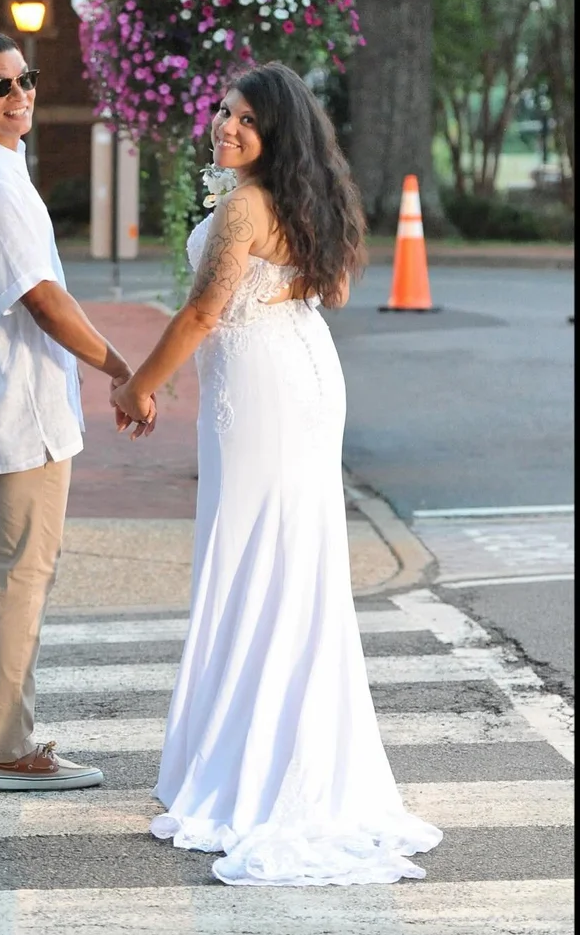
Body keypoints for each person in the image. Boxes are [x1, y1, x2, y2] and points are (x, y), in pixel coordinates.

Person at [110, 61, 442, 885]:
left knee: (256, 555)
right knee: (285, 560)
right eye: (223, 112)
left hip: (264, 391)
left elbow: (200, 312)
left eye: (247, 120)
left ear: (277, 134)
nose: (227, 127)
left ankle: (255, 768)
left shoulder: (246, 204)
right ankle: (264, 744)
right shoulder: (299, 193)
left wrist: (139, 383)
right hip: (296, 371)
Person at [0, 30, 154, 792]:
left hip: (0, 395)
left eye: (25, 79)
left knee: (7, 568)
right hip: (16, 403)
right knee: (26, 572)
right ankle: (9, 747)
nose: (18, 93)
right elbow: (42, 299)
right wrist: (120, 366)